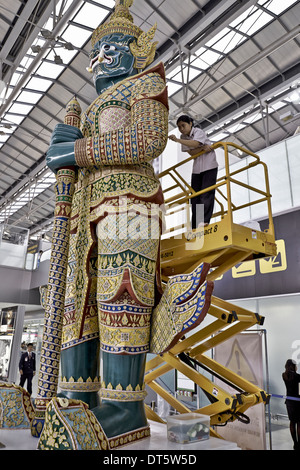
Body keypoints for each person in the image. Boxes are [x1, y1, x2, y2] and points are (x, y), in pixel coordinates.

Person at [41, 0, 213, 446]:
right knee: (78, 299)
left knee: (122, 292)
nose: (99, 59)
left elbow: (148, 140)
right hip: (83, 210)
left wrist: (75, 153)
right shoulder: (93, 106)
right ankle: (75, 393)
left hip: (131, 206)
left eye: (111, 48)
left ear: (137, 51)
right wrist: (68, 155)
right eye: (95, 53)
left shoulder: (145, 83)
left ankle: (124, 406)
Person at [168, 115, 218, 229]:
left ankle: (204, 220)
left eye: (183, 125)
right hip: (197, 169)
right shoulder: (183, 137)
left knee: (206, 193)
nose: (181, 129)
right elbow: (192, 153)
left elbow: (195, 144)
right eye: (179, 127)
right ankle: (196, 223)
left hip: (209, 165)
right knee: (195, 197)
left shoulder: (198, 131)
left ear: (190, 123)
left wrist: (177, 140)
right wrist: (202, 148)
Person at [282, 359, 300, 450]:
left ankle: (295, 444)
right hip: (297, 402)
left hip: (289, 402)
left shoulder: (284, 375)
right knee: (299, 423)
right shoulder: (296, 376)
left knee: (292, 422)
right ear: (293, 366)